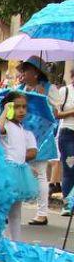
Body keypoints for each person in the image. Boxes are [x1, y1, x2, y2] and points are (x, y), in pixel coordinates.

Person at [16, 56, 58, 226]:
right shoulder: (19, 89)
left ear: (36, 72)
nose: (23, 73)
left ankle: (42, 213)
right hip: (21, 137)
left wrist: (44, 99)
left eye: (26, 70)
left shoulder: (49, 89)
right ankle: (12, 211)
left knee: (41, 174)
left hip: (42, 137)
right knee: (16, 171)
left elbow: (55, 113)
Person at [0, 90, 37, 242]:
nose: (21, 110)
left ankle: (17, 243)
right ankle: (1, 243)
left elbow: (20, 152)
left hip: (20, 172)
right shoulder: (6, 125)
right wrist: (6, 110)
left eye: (24, 107)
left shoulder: (22, 129)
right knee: (3, 210)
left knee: (15, 212)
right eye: (17, 107)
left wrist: (27, 166)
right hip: (8, 173)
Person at [50, 74, 74, 217]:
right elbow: (57, 114)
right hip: (68, 134)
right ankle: (67, 204)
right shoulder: (65, 91)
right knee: (70, 168)